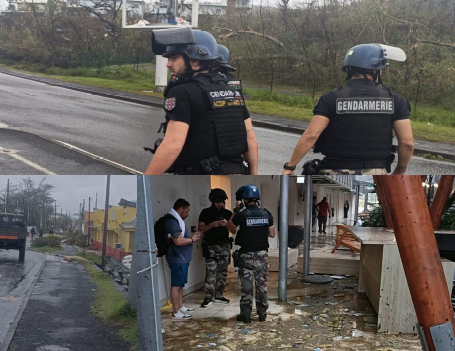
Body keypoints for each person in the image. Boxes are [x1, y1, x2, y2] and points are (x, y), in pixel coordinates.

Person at [281, 43, 414, 175]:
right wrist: (400, 170)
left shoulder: (331, 98)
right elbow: (407, 143)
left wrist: (290, 167)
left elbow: (311, 135)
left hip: (333, 170)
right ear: (374, 70)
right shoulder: (396, 100)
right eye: (381, 69)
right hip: (376, 172)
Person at [145, 29, 258, 175]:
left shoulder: (182, 92)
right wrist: (254, 176)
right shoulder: (232, 89)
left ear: (194, 61)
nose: (168, 64)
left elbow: (173, 145)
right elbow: (250, 137)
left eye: (174, 58)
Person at [227, 184, 275, 323]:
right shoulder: (266, 214)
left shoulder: (242, 215)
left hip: (246, 256)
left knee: (246, 288)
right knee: (262, 286)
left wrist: (236, 209)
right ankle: (262, 314)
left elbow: (230, 227)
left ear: (244, 200)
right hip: (261, 256)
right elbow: (272, 234)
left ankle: (246, 316)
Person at [164, 198, 201, 320]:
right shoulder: (172, 221)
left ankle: (180, 307)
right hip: (177, 258)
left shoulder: (177, 220)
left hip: (182, 258)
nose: (188, 213)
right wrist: (192, 239)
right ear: (180, 209)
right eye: (187, 211)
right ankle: (175, 312)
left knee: (180, 284)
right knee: (176, 285)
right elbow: (178, 241)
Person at [198, 188, 233, 308]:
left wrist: (226, 224)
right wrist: (211, 225)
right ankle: (208, 298)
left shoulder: (228, 213)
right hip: (211, 246)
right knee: (211, 273)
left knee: (222, 273)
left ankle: (219, 295)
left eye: (221, 201)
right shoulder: (205, 213)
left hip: (224, 246)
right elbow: (201, 228)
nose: (219, 203)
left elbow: (234, 229)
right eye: (217, 201)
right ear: (212, 201)